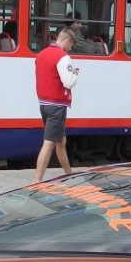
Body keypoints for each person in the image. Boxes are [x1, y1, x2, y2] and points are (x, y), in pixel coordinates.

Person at [33, 26, 80, 183]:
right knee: (49, 142)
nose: (70, 48)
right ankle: (37, 181)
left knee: (61, 141)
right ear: (66, 40)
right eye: (71, 44)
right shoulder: (62, 56)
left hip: (44, 104)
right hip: (57, 105)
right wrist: (74, 74)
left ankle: (69, 174)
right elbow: (68, 82)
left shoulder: (41, 54)